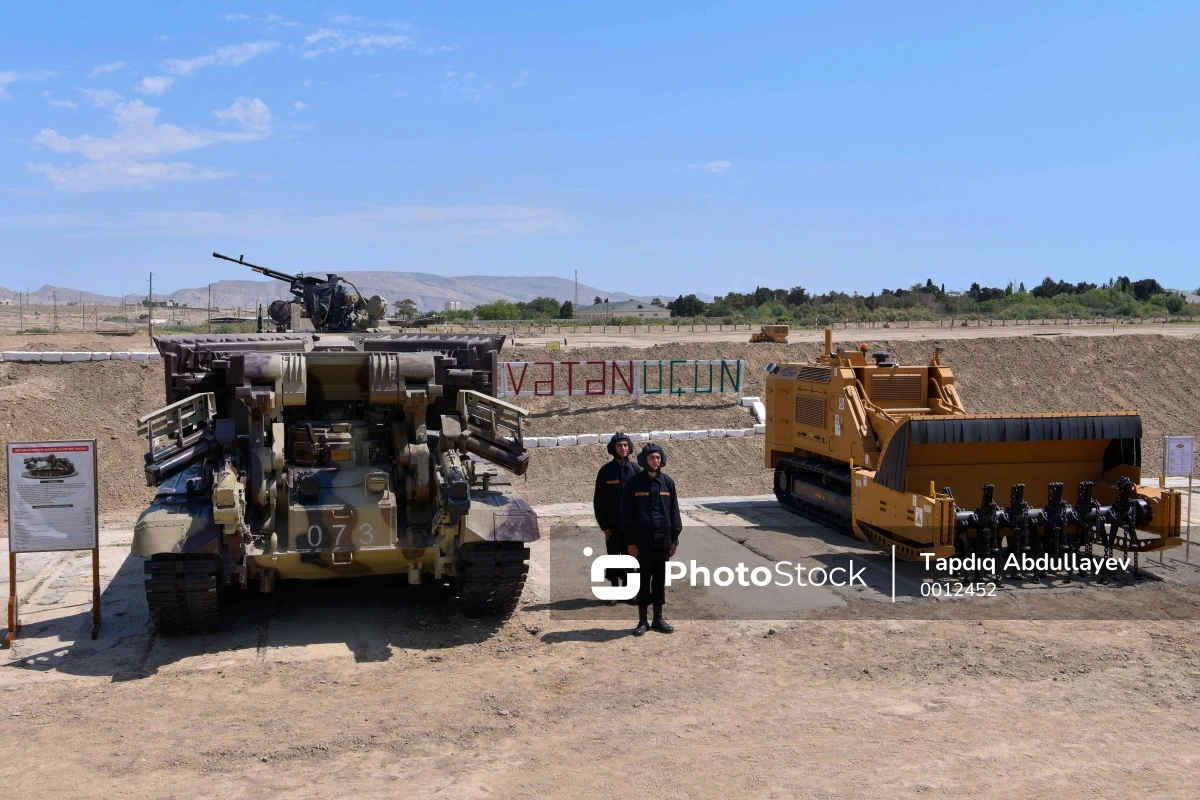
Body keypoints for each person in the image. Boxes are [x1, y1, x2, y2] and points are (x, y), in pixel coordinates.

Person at [620, 442, 682, 635]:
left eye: (658, 457)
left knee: (660, 579)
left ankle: (658, 618)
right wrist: (630, 541)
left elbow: (674, 513)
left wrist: (674, 539)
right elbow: (627, 515)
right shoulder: (634, 483)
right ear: (643, 461)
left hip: (663, 541)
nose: (655, 461)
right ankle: (642, 620)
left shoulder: (668, 483)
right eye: (651, 458)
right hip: (642, 542)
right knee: (643, 579)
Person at [593, 432, 640, 605]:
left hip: (631, 526)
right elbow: (599, 501)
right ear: (613, 448)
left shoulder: (636, 470)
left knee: (630, 557)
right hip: (612, 525)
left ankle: (628, 591)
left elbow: (641, 500)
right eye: (620, 446)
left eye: (626, 445)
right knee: (613, 557)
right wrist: (604, 525)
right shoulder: (605, 472)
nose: (623, 448)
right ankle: (614, 590)